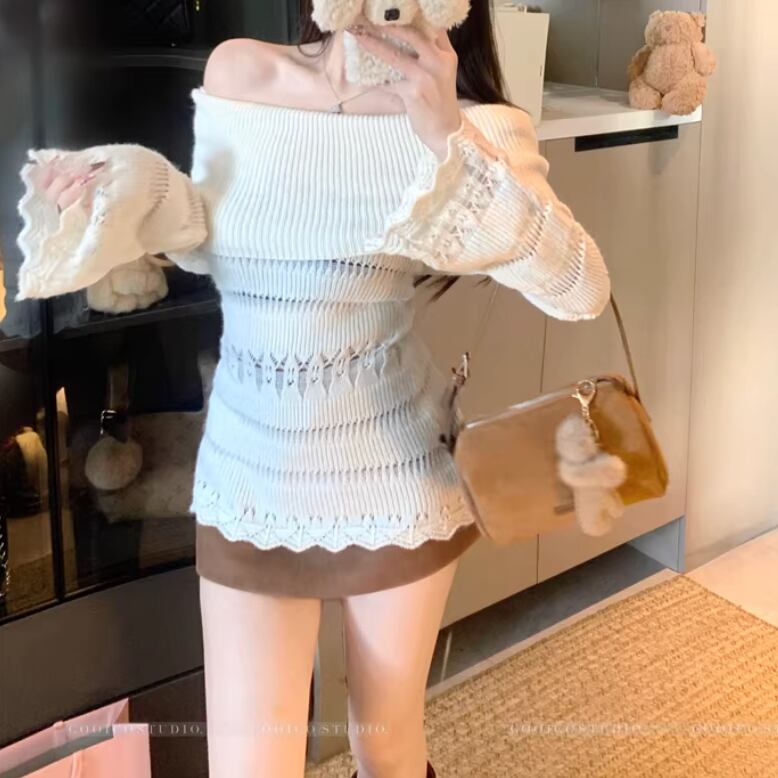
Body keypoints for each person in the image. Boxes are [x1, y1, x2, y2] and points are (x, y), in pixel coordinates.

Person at [16, 0, 612, 775]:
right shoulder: (240, 70)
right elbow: (206, 229)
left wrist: (447, 135)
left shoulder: (467, 118)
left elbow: (581, 287)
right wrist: (127, 188)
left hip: (395, 478)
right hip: (250, 476)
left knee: (386, 745)